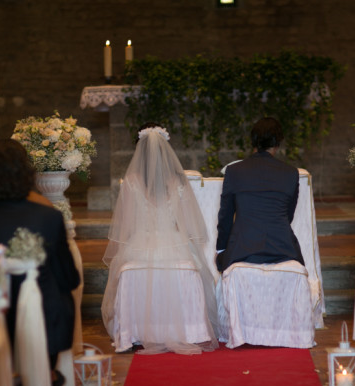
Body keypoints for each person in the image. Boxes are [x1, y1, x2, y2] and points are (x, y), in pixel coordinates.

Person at [102, 123, 218, 354]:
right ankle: (191, 330)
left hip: (139, 244)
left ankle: (134, 332)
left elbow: (126, 226)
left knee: (125, 269)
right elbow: (187, 225)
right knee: (192, 266)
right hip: (174, 242)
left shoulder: (131, 182)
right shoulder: (178, 182)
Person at [0, 139, 79, 378]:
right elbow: (70, 279)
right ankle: (48, 377)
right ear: (26, 174)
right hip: (45, 325)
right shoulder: (49, 217)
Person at [216, 117, 303, 272]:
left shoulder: (235, 171)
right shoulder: (290, 173)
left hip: (242, 250)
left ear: (253, 141)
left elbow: (225, 218)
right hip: (283, 249)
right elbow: (287, 216)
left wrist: (221, 250)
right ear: (277, 144)